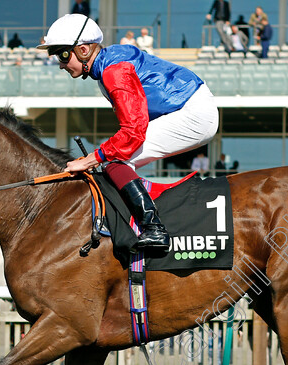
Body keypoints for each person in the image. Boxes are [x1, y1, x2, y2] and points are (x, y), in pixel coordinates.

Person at [39, 14, 219, 256]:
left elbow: (133, 132)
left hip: (194, 113)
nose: (61, 64)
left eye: (62, 55)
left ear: (83, 50)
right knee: (113, 161)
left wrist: (90, 159)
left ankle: (154, 228)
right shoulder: (107, 64)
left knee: (114, 159)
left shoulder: (113, 71)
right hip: (192, 107)